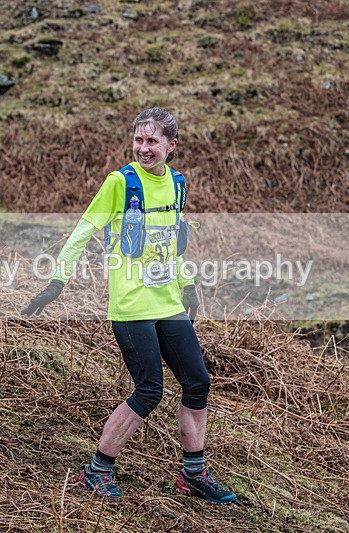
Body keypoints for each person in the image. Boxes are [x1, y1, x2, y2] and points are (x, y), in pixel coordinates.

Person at [22, 108, 237, 504]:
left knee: (198, 382)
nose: (144, 148)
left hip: (167, 301)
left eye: (152, 141)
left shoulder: (176, 184)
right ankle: (98, 469)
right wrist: (57, 281)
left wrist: (188, 287)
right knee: (150, 389)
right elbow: (83, 230)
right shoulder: (120, 183)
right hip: (131, 304)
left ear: (171, 146)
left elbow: (172, 242)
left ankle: (193, 475)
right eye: (139, 140)